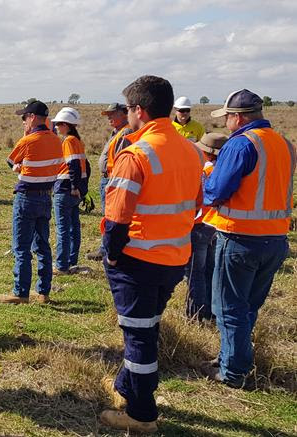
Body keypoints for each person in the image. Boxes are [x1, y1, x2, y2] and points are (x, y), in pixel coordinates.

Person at [99, 75, 203, 433]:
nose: (127, 116)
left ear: (139, 111)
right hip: (175, 257)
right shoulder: (192, 151)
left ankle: (142, 415)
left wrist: (112, 255)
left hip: (137, 261)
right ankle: (126, 388)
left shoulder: (136, 154)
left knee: (139, 336)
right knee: (146, 327)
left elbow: (116, 217)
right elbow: (197, 206)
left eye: (128, 109)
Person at [200, 89, 295, 388]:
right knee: (248, 306)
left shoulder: (240, 144)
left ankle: (233, 372)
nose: (225, 122)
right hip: (276, 240)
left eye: (226, 116)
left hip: (240, 238)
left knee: (228, 307)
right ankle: (231, 355)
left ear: (237, 117)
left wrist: (204, 180)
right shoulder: (285, 144)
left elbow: (216, 191)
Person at [0, 101, 62, 305]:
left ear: (32, 117)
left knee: (21, 246)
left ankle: (21, 291)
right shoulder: (57, 140)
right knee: (43, 244)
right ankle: (43, 292)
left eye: (24, 117)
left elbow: (10, 161)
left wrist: (20, 167)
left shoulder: (28, 140)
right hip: (46, 196)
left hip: (26, 198)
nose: (23, 121)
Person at [185, 133, 227, 322]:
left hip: (199, 225)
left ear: (209, 153)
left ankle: (195, 314)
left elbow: (195, 198)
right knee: (210, 270)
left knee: (195, 272)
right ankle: (210, 311)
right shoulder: (225, 170)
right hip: (215, 225)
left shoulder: (205, 170)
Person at [87, 103, 133, 260]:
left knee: (111, 216)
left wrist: (113, 182)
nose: (109, 117)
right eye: (108, 115)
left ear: (124, 114)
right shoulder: (118, 132)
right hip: (109, 178)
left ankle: (108, 249)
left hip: (112, 179)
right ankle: (106, 247)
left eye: (113, 114)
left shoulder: (125, 132)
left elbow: (122, 161)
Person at [51, 107, 87, 275]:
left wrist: (73, 187)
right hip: (74, 191)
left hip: (65, 190)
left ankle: (62, 265)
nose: (56, 127)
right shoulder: (78, 141)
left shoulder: (68, 142)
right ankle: (71, 260)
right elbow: (86, 166)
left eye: (58, 124)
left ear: (66, 125)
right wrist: (81, 188)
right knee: (74, 227)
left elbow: (72, 166)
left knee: (63, 229)